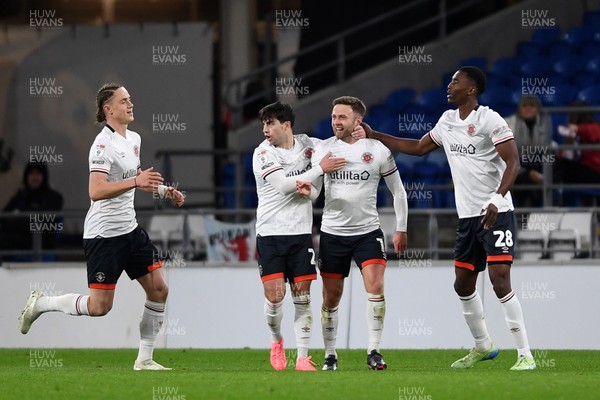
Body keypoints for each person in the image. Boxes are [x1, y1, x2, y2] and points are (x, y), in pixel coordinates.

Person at [360, 67, 536, 371]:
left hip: (497, 213)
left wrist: (496, 198)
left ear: (471, 90)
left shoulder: (490, 120)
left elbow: (513, 162)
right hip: (468, 218)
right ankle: (483, 345)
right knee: (462, 285)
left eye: (455, 81)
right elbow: (417, 148)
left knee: (499, 280)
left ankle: (525, 354)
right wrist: (376, 135)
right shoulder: (447, 121)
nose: (449, 85)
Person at [18, 83, 185, 371]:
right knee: (100, 308)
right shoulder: (101, 145)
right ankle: (42, 303)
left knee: (159, 290)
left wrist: (163, 191)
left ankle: (144, 359)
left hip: (130, 231)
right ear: (108, 110)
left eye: (130, 99)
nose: (130, 104)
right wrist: (135, 182)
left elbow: (134, 177)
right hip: (104, 235)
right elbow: (96, 190)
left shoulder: (133, 138)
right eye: (123, 101)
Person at [298, 96, 408, 371]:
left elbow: (398, 191)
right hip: (333, 233)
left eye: (342, 117)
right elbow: (315, 194)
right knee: (330, 298)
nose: (336, 122)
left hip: (368, 232)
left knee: (376, 286)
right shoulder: (324, 149)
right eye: (334, 117)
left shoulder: (377, 150)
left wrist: (401, 228)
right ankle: (330, 354)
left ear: (358, 120)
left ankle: (374, 350)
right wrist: (308, 193)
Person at [253, 101, 352, 371]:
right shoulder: (262, 154)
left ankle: (303, 356)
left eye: (270, 123)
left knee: (302, 297)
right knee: (275, 297)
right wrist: (320, 169)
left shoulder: (308, 145)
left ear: (286, 125)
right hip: (271, 233)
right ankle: (276, 342)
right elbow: (285, 186)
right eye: (264, 124)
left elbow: (334, 145)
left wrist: (360, 131)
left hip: (300, 234)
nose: (265, 129)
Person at [1, 162, 64, 258]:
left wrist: (16, 220)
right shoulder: (20, 196)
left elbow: (44, 220)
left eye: (38, 173)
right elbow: (4, 217)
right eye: (31, 174)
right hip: (15, 238)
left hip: (40, 242)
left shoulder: (53, 197)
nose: (34, 177)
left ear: (44, 176)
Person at [504, 95, 552, 207]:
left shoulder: (545, 123)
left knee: (554, 160)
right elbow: (506, 155)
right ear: (519, 109)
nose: (528, 108)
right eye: (524, 105)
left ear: (538, 109)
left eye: (532, 106)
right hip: (515, 164)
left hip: (537, 162)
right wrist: (526, 172)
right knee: (523, 177)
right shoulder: (509, 124)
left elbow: (546, 147)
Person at [554, 102, 600, 206]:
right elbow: (565, 153)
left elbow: (591, 133)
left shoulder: (594, 127)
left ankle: (548, 182)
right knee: (562, 164)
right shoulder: (575, 134)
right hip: (587, 170)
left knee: (563, 165)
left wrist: (574, 129)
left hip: (596, 172)